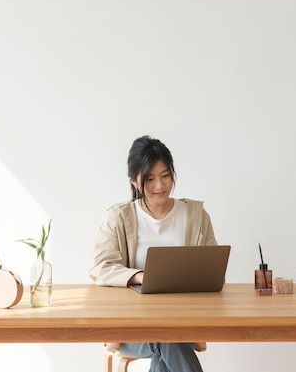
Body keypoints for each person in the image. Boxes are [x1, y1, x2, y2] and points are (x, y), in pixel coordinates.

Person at [89, 135, 218, 372]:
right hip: (131, 329)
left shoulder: (197, 216)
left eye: (166, 176)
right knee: (167, 338)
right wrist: (140, 276)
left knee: (168, 339)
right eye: (150, 179)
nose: (159, 186)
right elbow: (100, 266)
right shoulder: (118, 217)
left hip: (183, 323)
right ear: (135, 182)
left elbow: (212, 269)